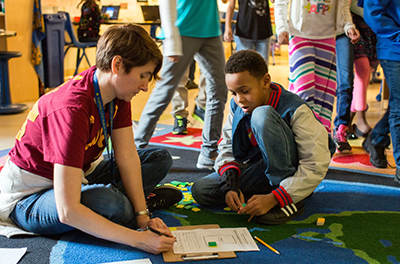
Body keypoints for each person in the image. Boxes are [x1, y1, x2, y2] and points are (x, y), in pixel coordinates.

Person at [0, 24, 182, 254]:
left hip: (77, 176)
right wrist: (138, 239)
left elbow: (126, 156)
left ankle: (126, 205)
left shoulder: (117, 92)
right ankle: (121, 205)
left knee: (159, 157)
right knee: (113, 205)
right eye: (143, 75)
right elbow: (68, 210)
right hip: (29, 197)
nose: (145, 86)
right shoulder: (72, 109)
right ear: (117, 65)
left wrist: (143, 217)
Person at [191, 50, 335, 225]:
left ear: (266, 81)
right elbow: (227, 145)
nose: (239, 99)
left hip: (291, 172)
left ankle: (291, 199)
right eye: (234, 93)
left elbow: (315, 164)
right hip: (258, 167)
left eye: (244, 91)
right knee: (201, 190)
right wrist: (230, 186)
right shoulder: (238, 105)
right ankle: (262, 193)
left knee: (262, 114)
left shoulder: (296, 109)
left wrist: (276, 198)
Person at [134, 0, 227, 170]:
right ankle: (136, 148)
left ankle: (209, 153)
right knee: (165, 90)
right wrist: (171, 40)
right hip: (183, 29)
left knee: (219, 90)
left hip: (211, 29)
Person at [275, 0, 359, 133]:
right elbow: (280, 3)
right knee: (304, 89)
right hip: (299, 35)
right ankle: (300, 133)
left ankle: (319, 136)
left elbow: (343, 6)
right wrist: (282, 28)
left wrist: (348, 26)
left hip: (327, 36)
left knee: (323, 97)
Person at [362, 0, 400, 184]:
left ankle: (376, 138)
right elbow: (372, 10)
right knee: (399, 109)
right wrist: (397, 35)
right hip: (394, 49)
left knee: (398, 105)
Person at [224, 0, 273, 65]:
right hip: (244, 31)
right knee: (244, 66)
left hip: (263, 31)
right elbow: (231, 6)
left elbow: (273, 1)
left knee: (262, 67)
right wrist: (227, 27)